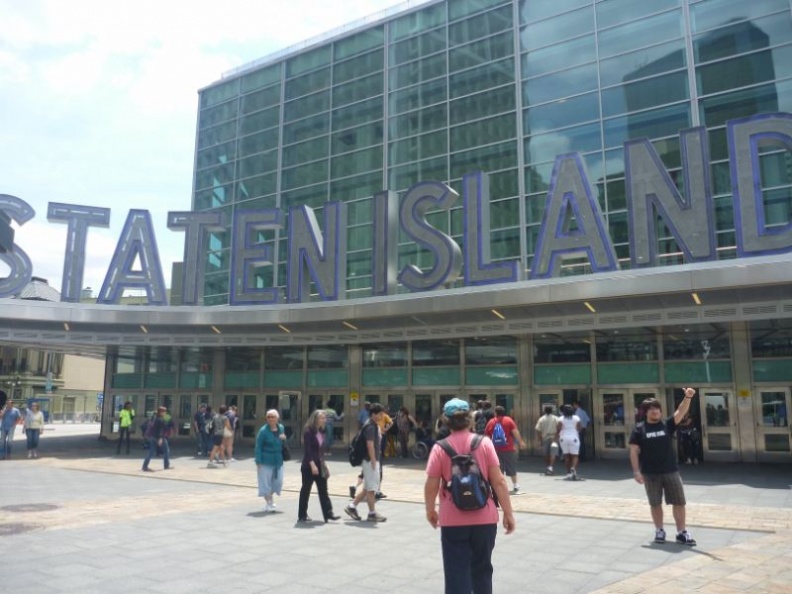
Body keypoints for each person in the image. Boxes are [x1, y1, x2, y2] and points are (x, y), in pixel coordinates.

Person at [424, 398, 516, 594]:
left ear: (445, 421)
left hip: (452, 518)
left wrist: (430, 510)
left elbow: (431, 484)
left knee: (456, 573)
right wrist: (508, 513)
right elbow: (499, 481)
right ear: (470, 419)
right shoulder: (485, 444)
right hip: (485, 517)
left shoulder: (440, 447)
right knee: (482, 569)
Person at [629, 388, 698, 547]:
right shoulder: (639, 429)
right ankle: (659, 530)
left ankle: (682, 532)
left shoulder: (667, 424)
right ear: (645, 412)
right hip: (650, 473)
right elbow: (633, 451)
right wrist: (636, 471)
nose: (655, 411)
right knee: (655, 503)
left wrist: (687, 397)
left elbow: (680, 411)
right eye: (651, 409)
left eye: (657, 408)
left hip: (670, 470)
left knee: (679, 501)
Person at [345, 402, 387, 523]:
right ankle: (372, 513)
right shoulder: (370, 426)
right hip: (370, 461)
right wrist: (374, 461)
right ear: (373, 414)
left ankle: (352, 507)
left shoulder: (372, 425)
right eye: (380, 414)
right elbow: (370, 445)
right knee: (371, 489)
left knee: (367, 487)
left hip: (369, 461)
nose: (381, 416)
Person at [298, 410, 340, 523]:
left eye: (324, 418)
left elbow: (320, 452)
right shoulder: (308, 432)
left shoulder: (321, 431)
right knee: (306, 490)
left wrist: (324, 466)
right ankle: (302, 515)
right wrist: (312, 465)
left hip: (319, 464)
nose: (324, 420)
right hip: (308, 465)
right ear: (315, 419)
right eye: (322, 418)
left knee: (323, 490)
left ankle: (329, 514)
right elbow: (308, 451)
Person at [485, 405, 527, 493]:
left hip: (495, 449)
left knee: (498, 468)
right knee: (511, 466)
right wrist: (521, 442)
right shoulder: (509, 420)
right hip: (508, 448)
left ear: (495, 413)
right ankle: (515, 485)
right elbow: (515, 432)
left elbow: (487, 436)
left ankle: (500, 486)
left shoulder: (491, 422)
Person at [255, 409, 286, 513]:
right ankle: (269, 502)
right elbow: (258, 446)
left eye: (273, 417)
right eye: (268, 417)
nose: (271, 419)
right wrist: (258, 461)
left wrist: (284, 439)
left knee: (278, 482)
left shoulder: (281, 428)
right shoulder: (263, 431)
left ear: (277, 418)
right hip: (265, 460)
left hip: (278, 459)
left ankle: (270, 498)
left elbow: (282, 442)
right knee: (265, 483)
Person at [142, 406, 172, 472]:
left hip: (153, 437)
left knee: (150, 452)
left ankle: (144, 466)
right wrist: (161, 438)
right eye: (164, 411)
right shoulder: (161, 419)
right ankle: (166, 465)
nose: (165, 413)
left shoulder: (156, 418)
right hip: (159, 437)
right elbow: (160, 430)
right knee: (166, 451)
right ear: (161, 412)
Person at [557, 404, 582, 480]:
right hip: (574, 437)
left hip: (563, 438)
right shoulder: (576, 418)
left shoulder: (561, 418)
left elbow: (558, 429)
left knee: (566, 456)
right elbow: (579, 428)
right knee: (575, 455)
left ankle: (568, 473)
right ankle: (573, 468)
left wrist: (556, 437)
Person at [375, 406, 394, 499]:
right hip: (379, 437)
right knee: (377, 468)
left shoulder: (384, 416)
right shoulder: (380, 417)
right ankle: (376, 491)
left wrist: (386, 429)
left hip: (381, 436)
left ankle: (376, 490)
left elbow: (391, 422)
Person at [535, 405, 559, 475]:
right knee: (553, 453)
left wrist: (539, 440)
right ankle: (551, 467)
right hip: (554, 437)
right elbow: (559, 428)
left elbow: (538, 430)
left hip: (545, 438)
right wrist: (556, 437)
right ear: (552, 411)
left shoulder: (541, 419)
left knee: (545, 453)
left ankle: (548, 466)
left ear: (544, 411)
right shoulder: (556, 418)